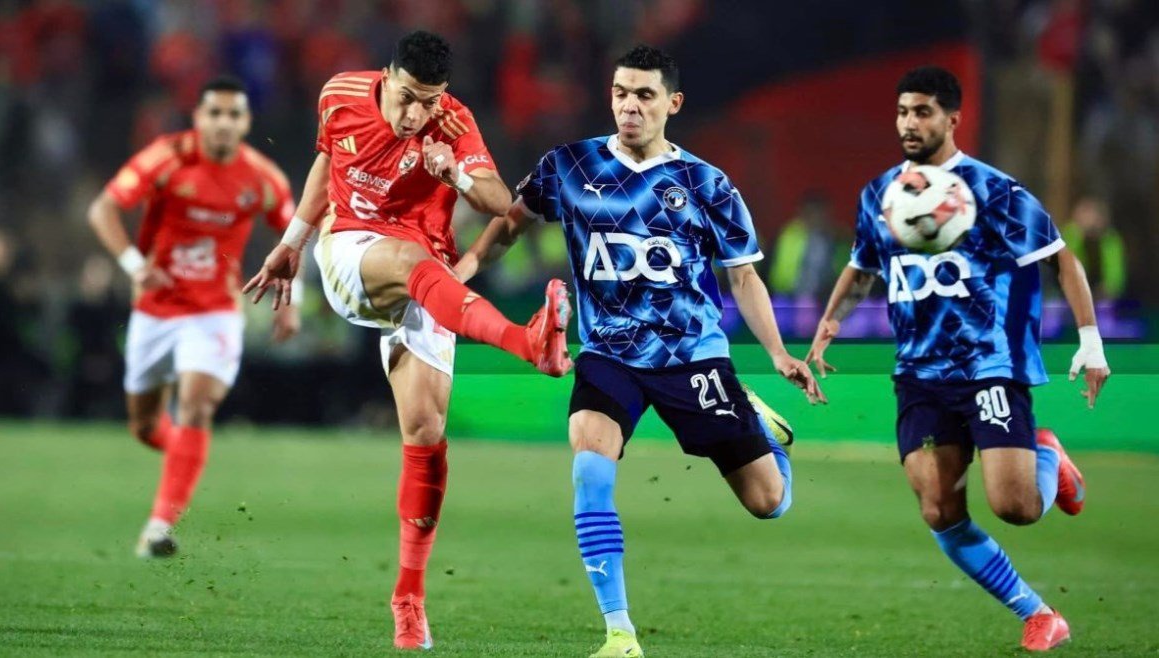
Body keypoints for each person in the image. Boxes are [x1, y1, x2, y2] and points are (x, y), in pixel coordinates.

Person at [456, 45, 825, 658]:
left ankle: (758, 423)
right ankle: (619, 632)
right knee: (589, 468)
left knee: (767, 503)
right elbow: (510, 224)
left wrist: (779, 353)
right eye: (621, 92)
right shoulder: (568, 165)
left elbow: (743, 277)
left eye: (645, 95)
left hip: (691, 357)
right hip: (608, 354)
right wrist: (459, 274)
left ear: (672, 103)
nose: (630, 105)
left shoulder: (707, 184)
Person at [243, 31, 571, 651]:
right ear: (387, 77)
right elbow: (327, 164)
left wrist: (458, 175)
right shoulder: (340, 93)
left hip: (428, 280)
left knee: (425, 434)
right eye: (408, 98)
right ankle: (527, 345)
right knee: (407, 259)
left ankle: (409, 600)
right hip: (353, 252)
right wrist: (293, 242)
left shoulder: (453, 122)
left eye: (430, 101)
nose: (417, 114)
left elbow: (500, 200)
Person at [805, 67, 1111, 653]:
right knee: (938, 509)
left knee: (1015, 508)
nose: (909, 123)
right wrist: (827, 326)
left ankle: (1047, 456)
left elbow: (1062, 259)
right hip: (919, 375)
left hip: (989, 365)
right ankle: (1038, 613)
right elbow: (862, 267)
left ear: (952, 119)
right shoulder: (881, 194)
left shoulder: (996, 192)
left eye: (922, 112)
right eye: (902, 111)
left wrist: (1090, 340)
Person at [86, 76, 299, 558]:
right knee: (145, 427)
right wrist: (136, 266)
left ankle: (158, 528)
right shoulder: (166, 157)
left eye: (233, 114)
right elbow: (102, 210)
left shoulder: (262, 177)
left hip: (215, 312)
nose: (223, 123)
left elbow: (293, 233)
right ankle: (187, 452)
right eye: (214, 113)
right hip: (155, 309)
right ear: (199, 117)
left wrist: (292, 300)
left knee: (197, 406)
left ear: (246, 122)